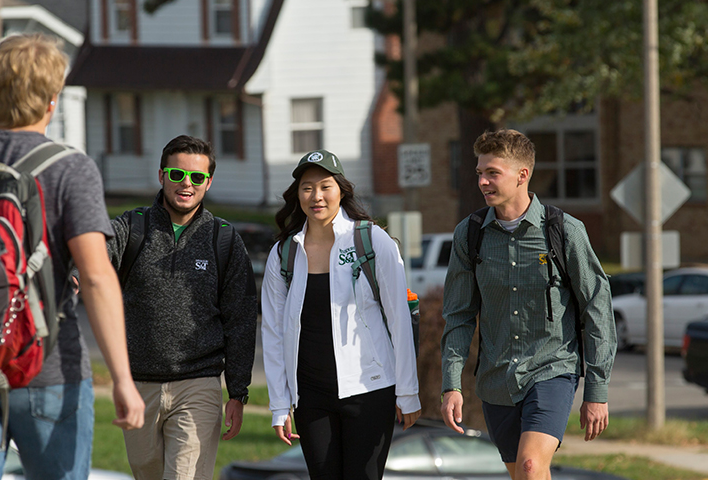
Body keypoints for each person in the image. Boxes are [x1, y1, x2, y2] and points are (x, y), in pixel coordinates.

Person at [0, 33, 145, 479]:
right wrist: (122, 379)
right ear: (53, 99)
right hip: (48, 367)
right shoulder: (68, 168)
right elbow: (96, 277)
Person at [440, 129, 617, 480]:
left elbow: (597, 309)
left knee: (531, 466)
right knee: (522, 474)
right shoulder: (469, 234)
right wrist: (451, 384)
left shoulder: (564, 231)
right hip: (496, 379)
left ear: (523, 175)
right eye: (479, 173)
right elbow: (459, 316)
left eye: (493, 173)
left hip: (552, 368)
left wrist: (597, 390)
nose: (483, 182)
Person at [261, 149, 421, 480]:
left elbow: (399, 320)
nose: (316, 196)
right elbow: (274, 332)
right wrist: (279, 404)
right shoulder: (284, 253)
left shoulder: (372, 240)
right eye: (307, 188)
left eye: (325, 186)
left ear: (342, 191)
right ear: (297, 195)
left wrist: (408, 392)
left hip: (370, 390)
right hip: (311, 396)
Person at [106, 135, 257, 480]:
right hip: (138, 384)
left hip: (198, 384)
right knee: (148, 473)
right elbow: (96, 256)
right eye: (177, 175)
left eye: (197, 177)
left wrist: (238, 391)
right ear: (161, 176)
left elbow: (242, 318)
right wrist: (75, 274)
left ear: (208, 182)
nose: (186, 183)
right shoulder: (133, 227)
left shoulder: (223, 239)